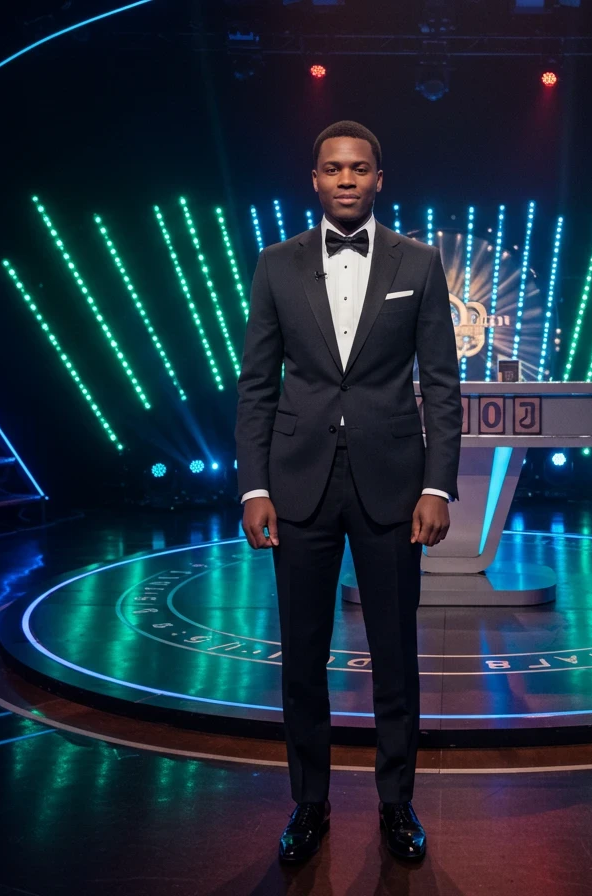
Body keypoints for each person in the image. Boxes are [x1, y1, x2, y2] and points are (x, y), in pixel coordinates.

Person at [234, 120, 463, 863]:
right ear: (314, 178)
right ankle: (310, 803)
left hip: (394, 485)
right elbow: (256, 387)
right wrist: (253, 487)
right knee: (301, 656)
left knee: (396, 655)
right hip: (296, 485)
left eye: (358, 168)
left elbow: (441, 384)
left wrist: (438, 487)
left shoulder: (419, 262)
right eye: (332, 168)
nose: (345, 180)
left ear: (378, 178)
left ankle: (397, 803)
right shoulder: (274, 264)